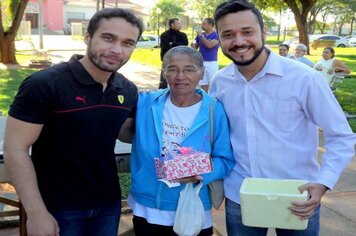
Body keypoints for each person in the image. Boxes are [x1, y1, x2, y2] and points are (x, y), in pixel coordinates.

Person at [210, 1, 356, 235]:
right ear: (219, 38)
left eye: (247, 32)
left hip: (298, 194)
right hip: (240, 194)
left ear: (264, 32)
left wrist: (323, 182)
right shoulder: (220, 81)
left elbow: (341, 136)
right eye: (228, 34)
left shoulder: (304, 78)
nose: (238, 41)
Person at [3, 8, 143, 236]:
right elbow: (15, 149)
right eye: (108, 38)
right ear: (88, 38)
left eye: (128, 43)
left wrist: (171, 119)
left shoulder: (127, 89)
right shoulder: (45, 84)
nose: (117, 50)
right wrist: (36, 213)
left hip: (107, 202)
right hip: (57, 206)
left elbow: (125, 132)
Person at [125, 46, 235, 235]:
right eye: (173, 69)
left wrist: (200, 174)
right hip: (147, 206)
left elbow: (225, 160)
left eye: (189, 69)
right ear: (164, 72)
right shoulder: (146, 103)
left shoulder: (214, 110)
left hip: (193, 206)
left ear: (202, 73)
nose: (180, 76)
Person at [158, 18, 189, 89]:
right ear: (172, 24)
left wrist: (172, 43)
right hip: (167, 60)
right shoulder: (164, 35)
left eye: (179, 23)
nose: (179, 25)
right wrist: (178, 44)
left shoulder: (183, 35)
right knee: (164, 78)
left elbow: (185, 45)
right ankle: (161, 94)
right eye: (177, 23)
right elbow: (165, 46)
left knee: (179, 77)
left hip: (180, 60)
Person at [191, 18, 220, 92]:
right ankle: (207, 96)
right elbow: (194, 47)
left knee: (213, 81)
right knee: (202, 82)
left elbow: (209, 45)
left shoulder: (216, 35)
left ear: (210, 25)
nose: (202, 25)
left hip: (211, 62)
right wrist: (193, 44)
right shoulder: (201, 35)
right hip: (201, 62)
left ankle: (214, 97)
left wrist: (201, 36)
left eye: (204, 24)